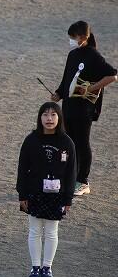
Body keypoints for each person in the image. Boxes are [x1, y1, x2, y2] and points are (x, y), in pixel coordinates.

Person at [51, 21, 117, 196]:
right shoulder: (73, 54)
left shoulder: (93, 55)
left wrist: (91, 88)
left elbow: (112, 75)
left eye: (73, 37)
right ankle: (71, 177)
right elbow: (66, 78)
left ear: (83, 37)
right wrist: (58, 93)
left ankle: (83, 181)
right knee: (69, 142)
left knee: (82, 143)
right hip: (69, 106)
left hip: (84, 108)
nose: (71, 40)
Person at [16, 102, 76, 277]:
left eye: (53, 115)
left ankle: (47, 268)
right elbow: (22, 168)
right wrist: (22, 195)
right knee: (34, 231)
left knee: (51, 232)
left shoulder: (67, 142)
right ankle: (35, 267)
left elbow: (71, 173)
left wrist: (68, 198)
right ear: (39, 118)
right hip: (34, 192)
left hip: (57, 194)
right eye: (45, 114)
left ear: (59, 118)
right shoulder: (31, 140)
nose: (49, 119)